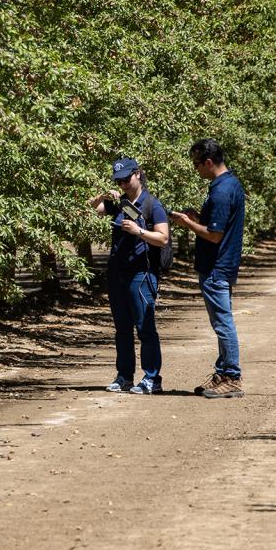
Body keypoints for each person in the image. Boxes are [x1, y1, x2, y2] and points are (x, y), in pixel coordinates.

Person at [169, 139, 247, 399]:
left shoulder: (222, 191)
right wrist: (197, 219)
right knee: (221, 322)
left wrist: (185, 223)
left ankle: (232, 377)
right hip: (221, 264)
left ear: (209, 162)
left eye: (196, 164)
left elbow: (214, 236)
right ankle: (223, 373)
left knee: (223, 323)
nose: (196, 169)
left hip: (216, 267)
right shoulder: (230, 184)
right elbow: (217, 228)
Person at [89, 157, 171, 395]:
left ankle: (152, 378)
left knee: (145, 327)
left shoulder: (152, 205)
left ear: (138, 174)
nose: (123, 184)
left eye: (126, 178)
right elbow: (93, 209)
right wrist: (103, 195)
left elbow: (163, 238)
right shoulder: (122, 203)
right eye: (119, 180)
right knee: (122, 328)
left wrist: (140, 231)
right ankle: (124, 376)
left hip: (142, 274)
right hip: (117, 273)